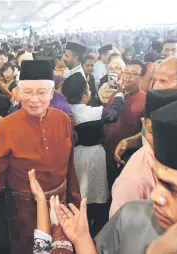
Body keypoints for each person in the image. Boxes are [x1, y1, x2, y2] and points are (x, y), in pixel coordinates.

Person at [53, 97, 177, 254]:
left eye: (175, 190)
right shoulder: (132, 218)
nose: (155, 195)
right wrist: (82, 241)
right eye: (158, 181)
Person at [0, 60, 81, 254]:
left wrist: (74, 201)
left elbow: (70, 166)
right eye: (27, 92)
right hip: (23, 210)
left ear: (52, 93)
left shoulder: (62, 120)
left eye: (41, 92)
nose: (34, 99)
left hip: (60, 205)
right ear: (18, 92)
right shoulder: (4, 127)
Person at [110, 88, 177, 218]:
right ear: (145, 124)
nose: (166, 141)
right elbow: (121, 232)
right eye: (155, 132)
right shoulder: (134, 181)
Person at [62, 72, 124, 236]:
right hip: (93, 155)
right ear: (84, 96)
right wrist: (119, 95)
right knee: (94, 188)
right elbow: (114, 114)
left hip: (73, 154)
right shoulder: (94, 112)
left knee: (78, 187)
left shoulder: (63, 112)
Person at [114, 56, 177, 165]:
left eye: (163, 81)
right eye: (155, 80)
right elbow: (149, 134)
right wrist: (130, 142)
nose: (156, 86)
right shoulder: (154, 101)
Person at [104, 59, 146, 189]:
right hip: (107, 151)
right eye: (126, 72)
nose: (128, 76)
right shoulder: (116, 94)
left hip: (128, 156)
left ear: (142, 77)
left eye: (133, 74)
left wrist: (129, 143)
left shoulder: (145, 99)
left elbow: (146, 131)